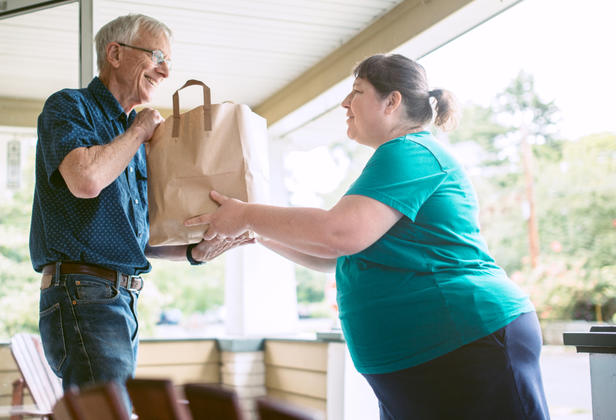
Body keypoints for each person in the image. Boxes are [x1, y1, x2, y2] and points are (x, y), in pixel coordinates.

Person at [186, 54, 550, 419]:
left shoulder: (410, 151)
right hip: (423, 359)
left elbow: (338, 233)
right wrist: (255, 231)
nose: (345, 103)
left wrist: (247, 214)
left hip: (467, 340)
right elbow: (335, 255)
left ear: (392, 101)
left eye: (357, 92)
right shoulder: (395, 159)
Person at [29, 13, 248, 403]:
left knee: (109, 411)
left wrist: (195, 252)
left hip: (117, 298)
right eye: (157, 56)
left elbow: (136, 241)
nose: (165, 71)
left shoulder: (134, 142)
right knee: (109, 414)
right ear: (115, 53)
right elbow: (85, 180)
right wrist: (137, 132)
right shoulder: (70, 107)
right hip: (84, 293)